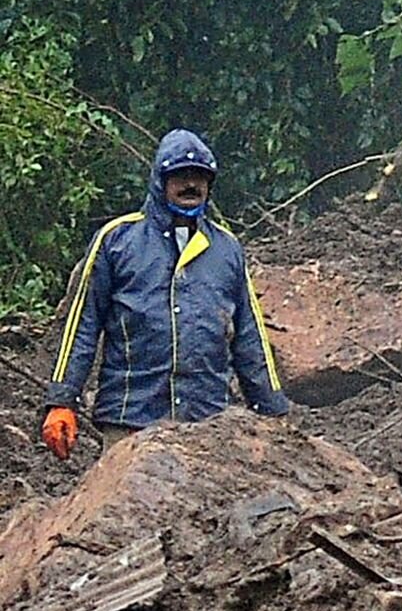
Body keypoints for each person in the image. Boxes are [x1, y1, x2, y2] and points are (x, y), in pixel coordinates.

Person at [41, 131, 289, 451]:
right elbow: (82, 326)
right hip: (130, 422)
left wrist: (273, 410)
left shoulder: (227, 249)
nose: (191, 185)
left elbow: (249, 338)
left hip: (208, 423)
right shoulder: (117, 240)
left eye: (200, 176)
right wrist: (62, 400)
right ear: (160, 181)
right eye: (180, 176)